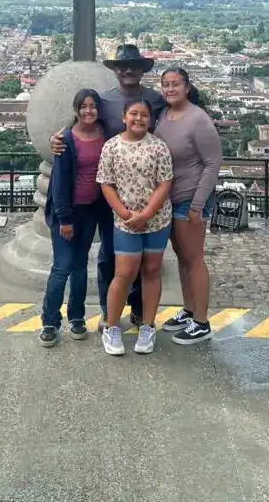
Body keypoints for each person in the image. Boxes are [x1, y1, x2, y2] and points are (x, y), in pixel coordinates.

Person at [50, 45, 164, 331]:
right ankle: (107, 309)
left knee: (140, 257)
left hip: (142, 187)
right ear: (115, 70)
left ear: (142, 70)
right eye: (122, 66)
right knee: (110, 255)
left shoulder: (155, 100)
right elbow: (81, 120)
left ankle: (138, 309)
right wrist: (59, 136)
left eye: (134, 66)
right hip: (108, 188)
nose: (128, 70)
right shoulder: (103, 100)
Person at [96, 98, 173, 356]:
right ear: (123, 117)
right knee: (124, 273)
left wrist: (148, 213)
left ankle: (148, 325)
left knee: (151, 270)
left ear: (150, 120)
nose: (138, 119)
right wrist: (124, 212)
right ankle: (111, 325)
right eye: (133, 114)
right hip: (126, 220)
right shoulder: (112, 147)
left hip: (157, 218)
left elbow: (165, 183)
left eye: (144, 115)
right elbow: (106, 183)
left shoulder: (159, 147)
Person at [154, 66, 222, 345]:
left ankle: (202, 321)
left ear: (187, 86)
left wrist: (198, 203)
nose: (170, 89)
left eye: (175, 84)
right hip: (170, 198)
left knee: (194, 259)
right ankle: (189, 309)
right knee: (182, 258)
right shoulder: (164, 114)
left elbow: (213, 162)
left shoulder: (198, 119)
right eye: (166, 85)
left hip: (189, 199)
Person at [39, 89, 106, 347]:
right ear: (76, 110)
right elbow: (59, 183)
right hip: (68, 211)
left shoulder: (104, 135)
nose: (88, 110)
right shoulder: (66, 139)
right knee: (62, 266)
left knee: (80, 266)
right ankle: (50, 320)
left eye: (93, 106)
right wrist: (64, 219)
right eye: (83, 106)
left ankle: (77, 317)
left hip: (90, 210)